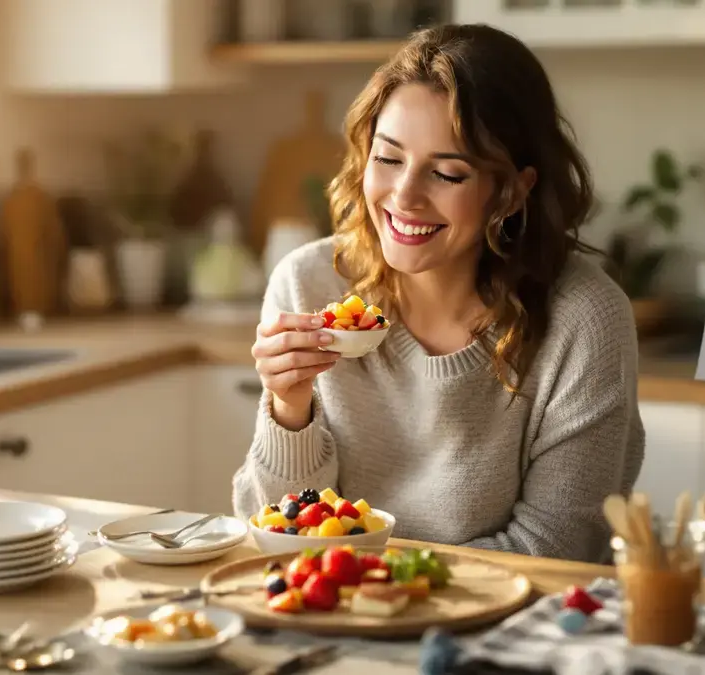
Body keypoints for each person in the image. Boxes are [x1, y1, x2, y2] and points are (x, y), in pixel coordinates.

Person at [231, 23, 644, 563]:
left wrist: (381, 587)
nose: (404, 197)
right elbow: (273, 534)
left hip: (501, 632)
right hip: (332, 611)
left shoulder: (585, 319)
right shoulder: (309, 282)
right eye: (388, 158)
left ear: (515, 190)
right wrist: (289, 408)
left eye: (447, 174)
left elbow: (557, 551)